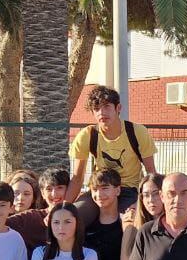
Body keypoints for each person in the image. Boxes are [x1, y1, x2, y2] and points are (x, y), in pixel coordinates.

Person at [67, 86, 157, 218]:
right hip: (99, 189)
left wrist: (147, 200)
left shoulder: (137, 132)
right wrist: (63, 207)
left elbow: (151, 172)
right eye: (96, 109)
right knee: (73, 216)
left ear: (118, 108)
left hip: (130, 190)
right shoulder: (87, 135)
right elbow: (77, 178)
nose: (101, 113)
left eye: (107, 106)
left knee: (129, 221)